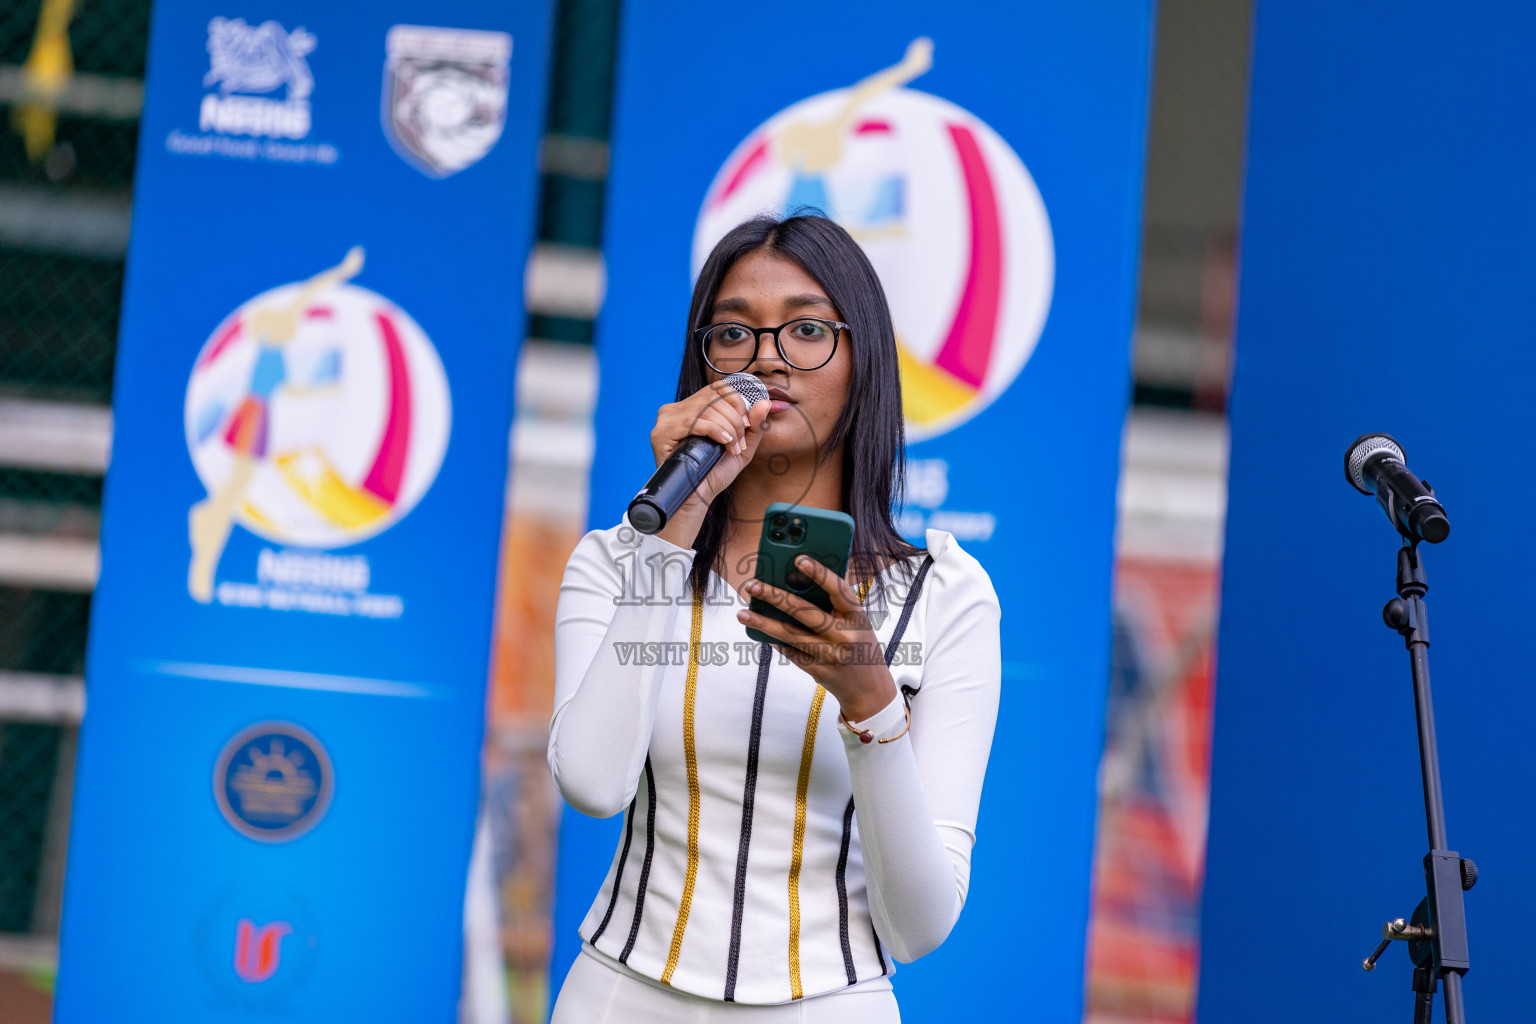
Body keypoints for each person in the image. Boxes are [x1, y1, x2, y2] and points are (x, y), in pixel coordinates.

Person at [548, 213, 1001, 1022]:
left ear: (864, 362)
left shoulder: (946, 594)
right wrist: (667, 539)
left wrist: (874, 708)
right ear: (702, 366)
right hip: (619, 996)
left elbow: (921, 925)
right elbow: (591, 783)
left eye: (805, 329)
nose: (767, 358)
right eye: (734, 334)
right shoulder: (615, 560)